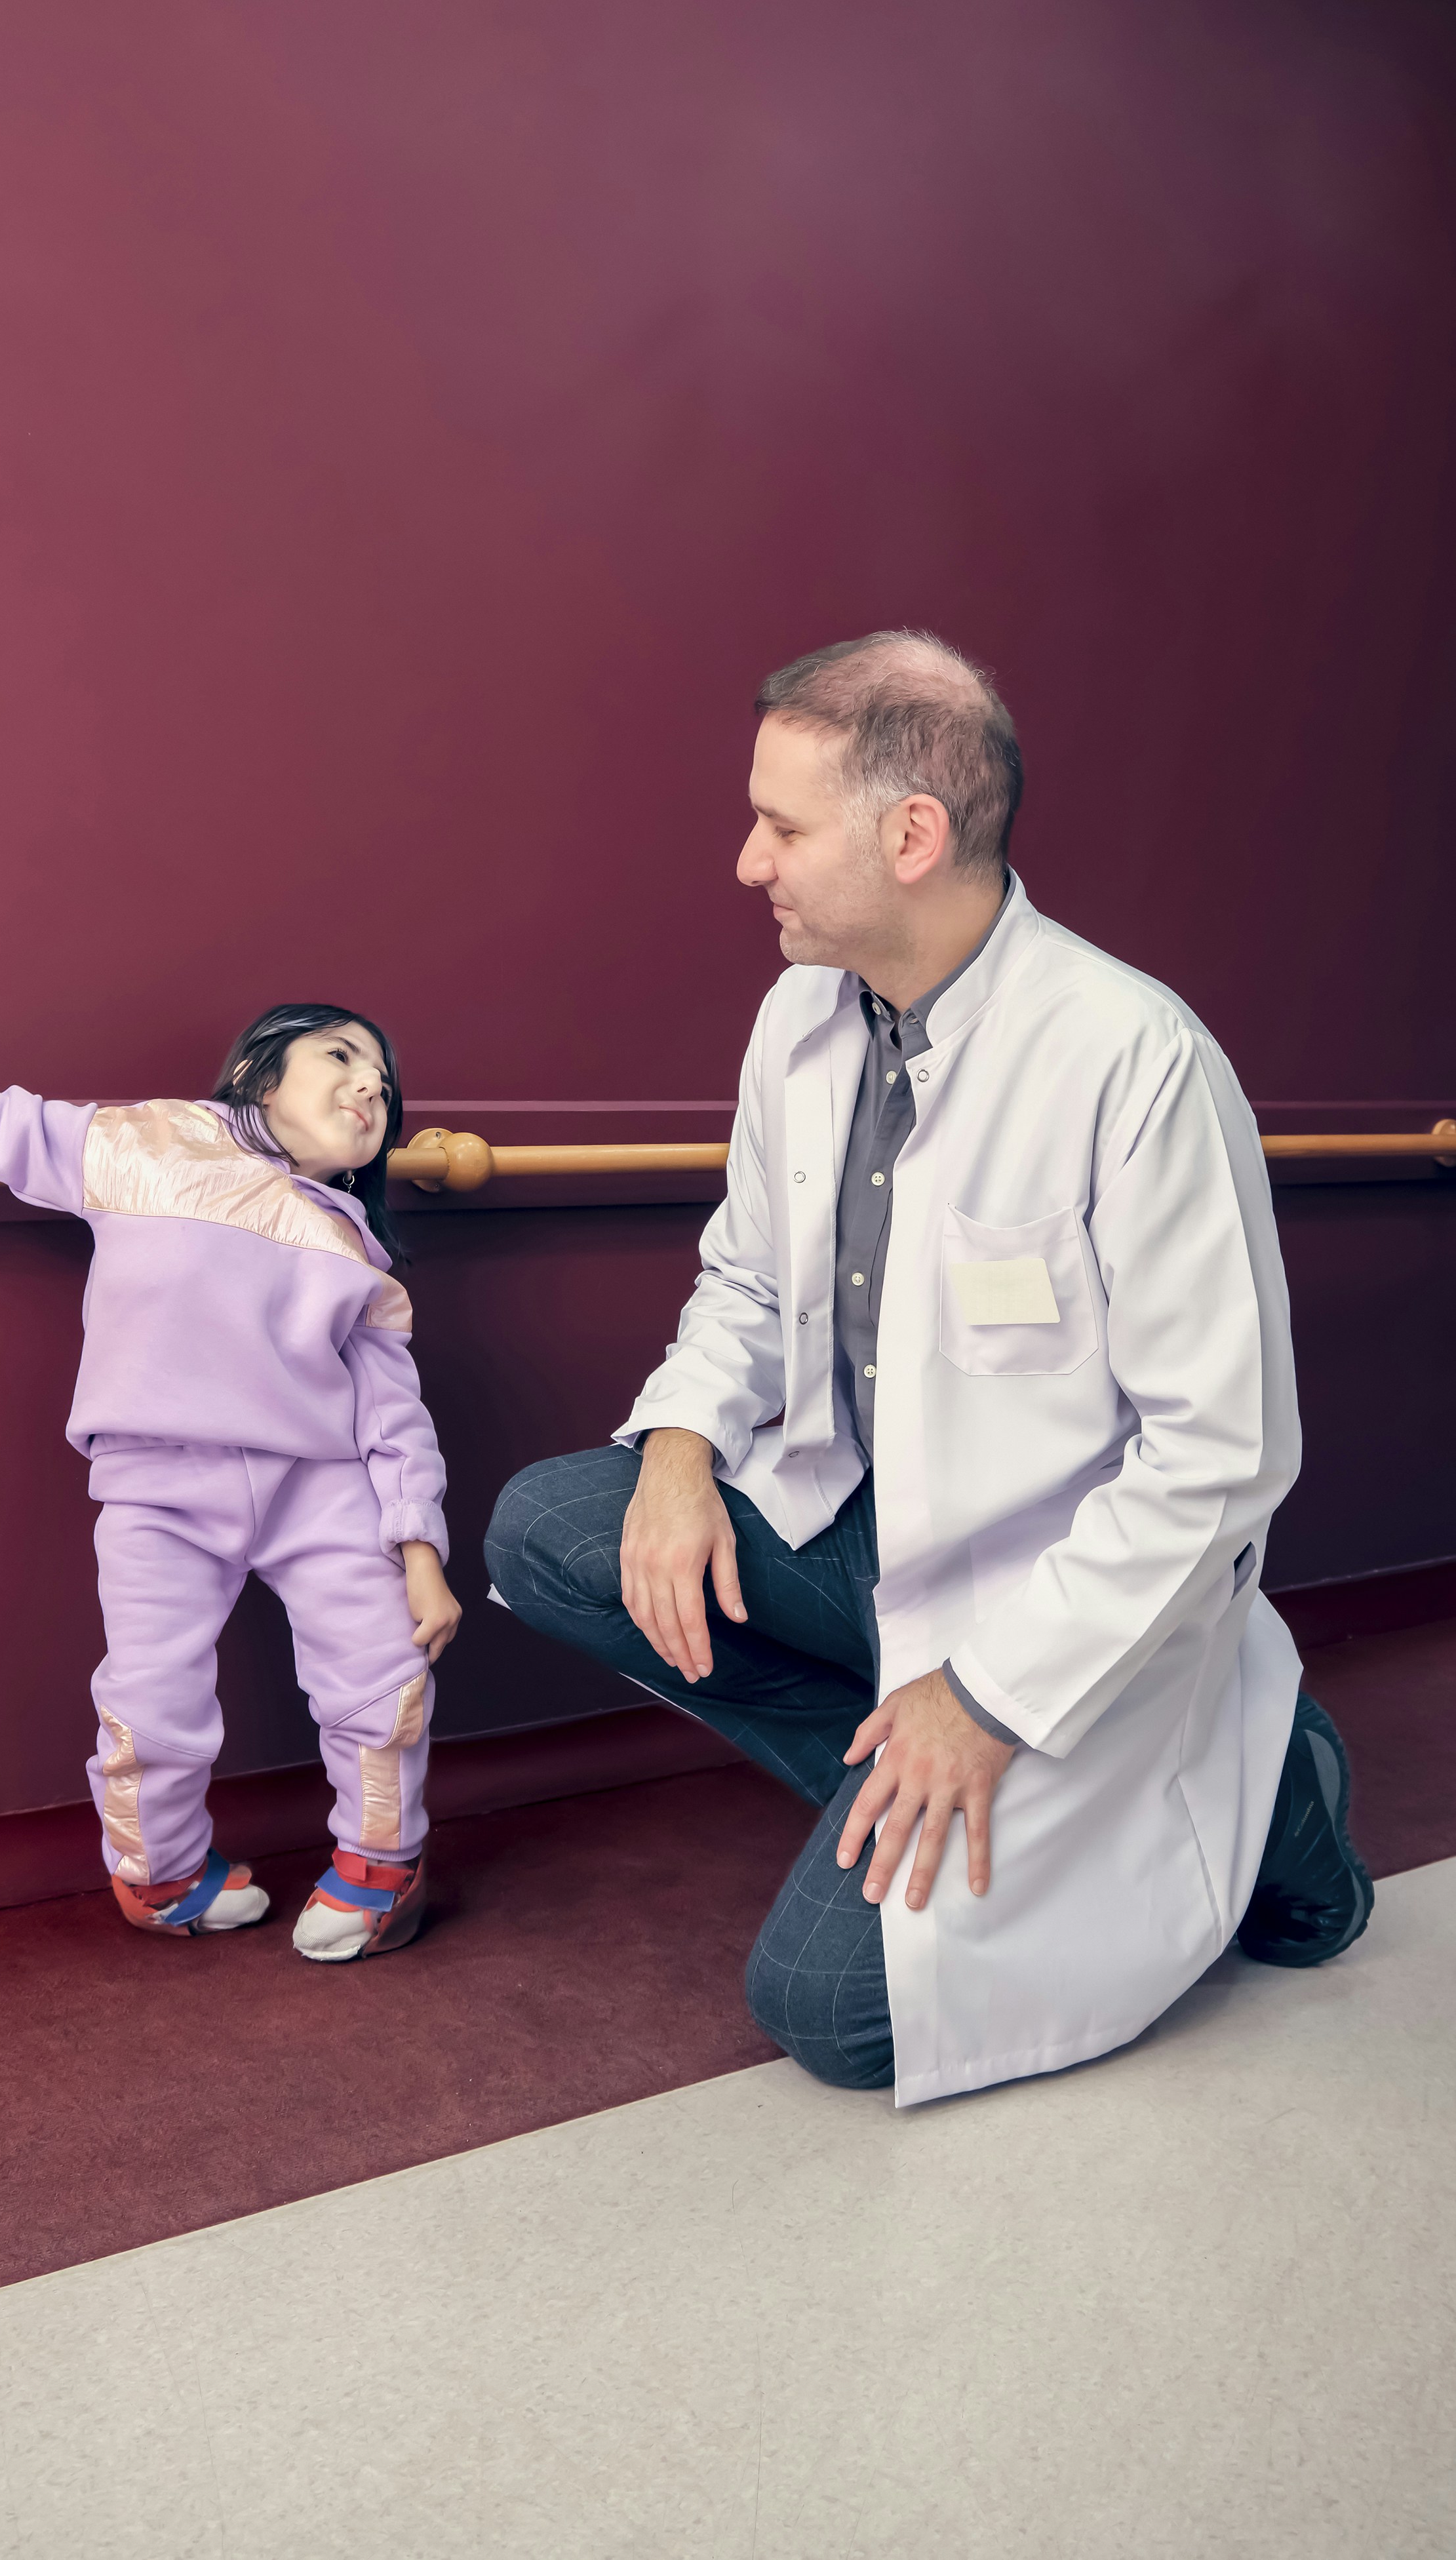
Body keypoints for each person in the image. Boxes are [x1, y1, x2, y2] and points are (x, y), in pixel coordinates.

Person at [487, 633, 1371, 2107]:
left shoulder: (1132, 1057)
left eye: (781, 824)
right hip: (868, 1533)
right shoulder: (799, 1020)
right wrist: (685, 1452)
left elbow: (1217, 1458)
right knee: (557, 1531)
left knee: (826, 2010)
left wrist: (996, 1698)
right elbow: (752, 1280)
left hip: (1062, 1598)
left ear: (912, 835)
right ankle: (895, 1790)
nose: (745, 861)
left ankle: (1268, 1785)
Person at [0, 1004, 461, 1961]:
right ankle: (160, 1873)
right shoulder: (148, 1142)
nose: (371, 1085)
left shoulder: (354, 1244)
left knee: (381, 1675)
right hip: (157, 1484)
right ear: (257, 1070)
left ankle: (385, 1865)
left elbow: (392, 1414)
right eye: (341, 1055)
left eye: (386, 1083)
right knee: (151, 1691)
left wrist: (421, 1553)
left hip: (321, 1485)